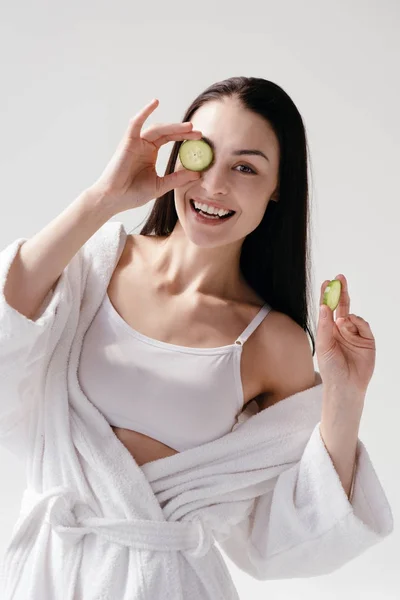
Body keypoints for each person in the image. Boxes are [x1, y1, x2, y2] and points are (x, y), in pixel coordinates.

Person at [0, 76, 392, 599]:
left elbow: (289, 531)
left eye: (246, 167)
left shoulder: (273, 343)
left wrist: (347, 393)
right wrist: (103, 198)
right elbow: (9, 320)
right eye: (202, 154)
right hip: (45, 575)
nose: (213, 185)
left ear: (279, 187)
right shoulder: (95, 264)